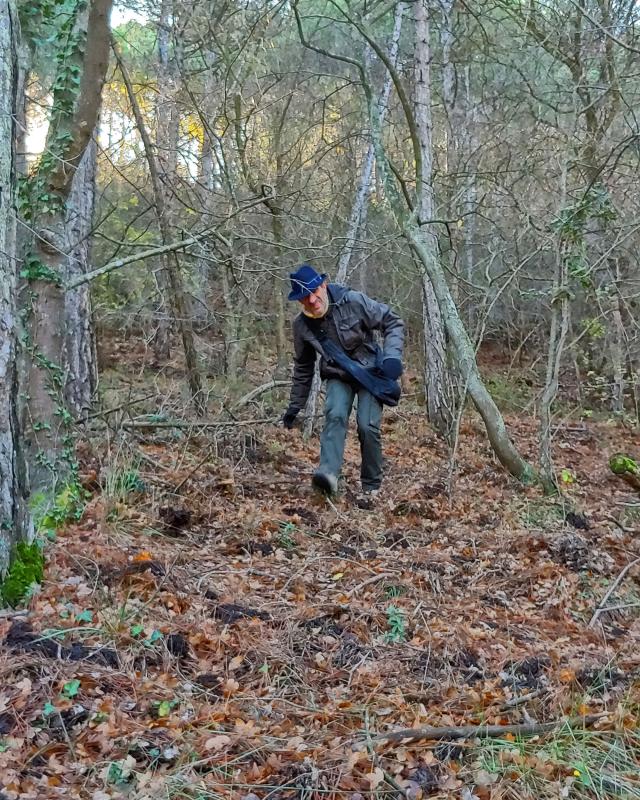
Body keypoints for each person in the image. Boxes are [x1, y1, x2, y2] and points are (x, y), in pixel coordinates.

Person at [282, 264, 405, 498]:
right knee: (335, 415)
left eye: (314, 292)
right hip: (337, 373)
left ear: (323, 285)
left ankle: (371, 486)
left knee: (367, 426)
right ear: (299, 301)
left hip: (370, 373)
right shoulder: (302, 327)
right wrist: (295, 406)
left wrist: (392, 357)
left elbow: (392, 321)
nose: (312, 300)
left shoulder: (353, 301)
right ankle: (328, 476)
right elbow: (303, 367)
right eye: (304, 298)